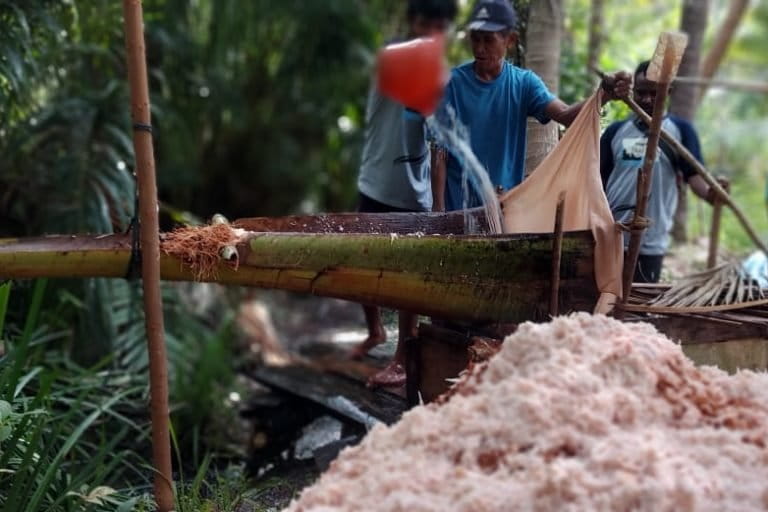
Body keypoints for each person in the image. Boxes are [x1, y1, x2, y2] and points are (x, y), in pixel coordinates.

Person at [432, 0, 632, 213]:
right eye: (475, 39)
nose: (480, 48)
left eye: (488, 40)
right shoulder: (452, 84)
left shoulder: (524, 84)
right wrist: (439, 211)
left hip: (504, 210)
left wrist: (603, 95)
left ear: (510, 40)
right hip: (456, 210)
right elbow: (440, 151)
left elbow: (565, 115)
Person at [352, 0, 458, 388]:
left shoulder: (444, 75)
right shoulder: (391, 59)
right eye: (425, 22)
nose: (431, 31)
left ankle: (401, 357)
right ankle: (375, 330)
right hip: (376, 180)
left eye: (439, 26)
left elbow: (441, 140)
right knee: (361, 264)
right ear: (413, 21)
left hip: (415, 191)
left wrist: (439, 202)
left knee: (408, 278)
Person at [601, 60, 727, 283]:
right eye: (641, 93)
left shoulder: (681, 132)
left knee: (638, 307)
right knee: (604, 304)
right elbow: (598, 181)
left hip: (651, 241)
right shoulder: (615, 132)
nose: (647, 100)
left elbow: (695, 177)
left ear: (668, 91)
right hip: (611, 236)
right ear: (632, 92)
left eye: (654, 93)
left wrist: (712, 194)